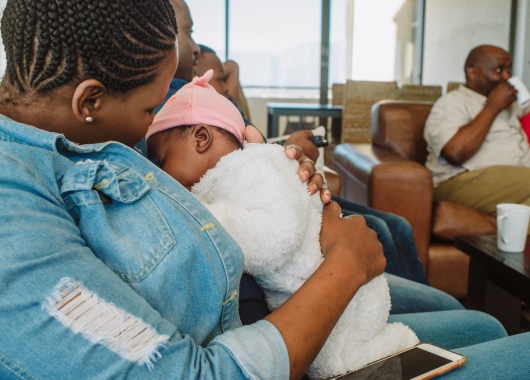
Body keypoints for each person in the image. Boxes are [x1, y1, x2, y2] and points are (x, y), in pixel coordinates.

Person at [0, 1, 529, 379]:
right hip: (259, 335)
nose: (149, 129)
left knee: (481, 321)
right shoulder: (15, 218)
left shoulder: (77, 132)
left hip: (257, 296)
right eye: (147, 111)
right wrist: (346, 265)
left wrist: (277, 163)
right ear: (89, 100)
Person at [146, 70, 420, 378]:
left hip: (337, 301)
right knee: (477, 325)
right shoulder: (222, 172)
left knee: (336, 361)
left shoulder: (247, 171)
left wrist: (208, 216)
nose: (157, 173)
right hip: (321, 297)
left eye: (159, 160)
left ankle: (401, 345)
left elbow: (272, 241)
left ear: (201, 138)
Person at [424, 45, 530, 216]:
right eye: (499, 70)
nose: (507, 77)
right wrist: (492, 107)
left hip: (515, 179)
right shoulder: (453, 103)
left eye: (508, 69)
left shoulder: (510, 105)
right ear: (473, 74)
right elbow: (454, 153)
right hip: (461, 181)